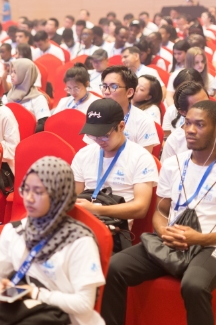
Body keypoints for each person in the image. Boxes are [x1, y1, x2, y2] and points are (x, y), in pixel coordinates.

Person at [102, 101, 216, 325]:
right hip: (171, 240)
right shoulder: (173, 164)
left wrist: (199, 239)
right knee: (113, 268)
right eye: (187, 123)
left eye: (200, 124)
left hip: (210, 246)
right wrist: (164, 231)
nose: (190, 130)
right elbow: (161, 211)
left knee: (194, 285)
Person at [0, 156, 105, 325]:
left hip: (68, 319)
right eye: (26, 189)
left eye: (38, 192)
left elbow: (84, 304)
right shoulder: (14, 231)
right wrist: (0, 289)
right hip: (22, 313)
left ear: (58, 195)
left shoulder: (79, 240)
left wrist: (35, 293)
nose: (29, 198)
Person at [73, 99, 157, 251]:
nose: (99, 141)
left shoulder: (140, 157)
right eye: (93, 135)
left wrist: (96, 209)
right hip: (82, 224)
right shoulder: (83, 154)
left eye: (104, 135)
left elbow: (141, 208)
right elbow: (74, 197)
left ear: (121, 126)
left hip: (115, 231)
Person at [87, 65, 159, 153]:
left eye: (114, 87)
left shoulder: (144, 121)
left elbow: (144, 158)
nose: (106, 92)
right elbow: (90, 153)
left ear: (129, 92)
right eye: (104, 86)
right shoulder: (96, 114)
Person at [161, 82, 210, 162]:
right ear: (183, 112)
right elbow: (167, 169)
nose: (206, 108)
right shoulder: (174, 141)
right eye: (199, 106)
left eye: (207, 103)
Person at [3, 59, 50, 132]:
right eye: (11, 72)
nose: (11, 75)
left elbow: (43, 124)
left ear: (26, 74)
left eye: (15, 72)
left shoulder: (38, 98)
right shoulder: (7, 96)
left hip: (30, 136)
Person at [162, 68, 204, 137]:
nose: (185, 94)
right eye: (181, 90)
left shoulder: (209, 111)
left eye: (190, 90)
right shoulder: (171, 111)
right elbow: (166, 137)